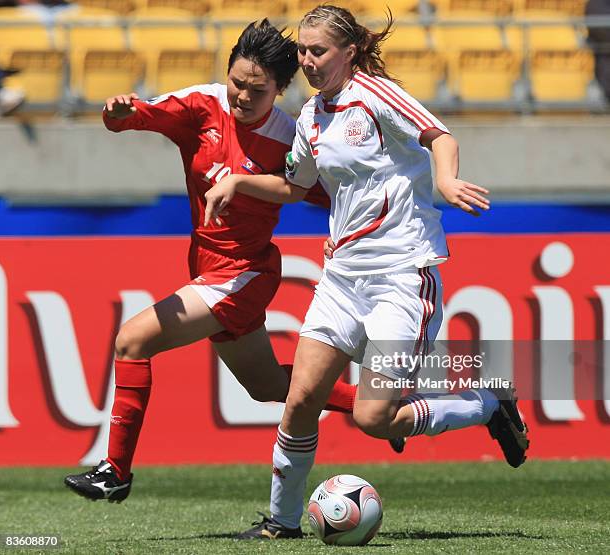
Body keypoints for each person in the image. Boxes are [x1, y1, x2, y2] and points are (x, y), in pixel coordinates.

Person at [204, 5, 530, 540]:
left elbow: (438, 135)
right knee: (302, 397)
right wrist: (240, 183)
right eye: (303, 51)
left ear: (349, 52)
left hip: (402, 276)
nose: (307, 61)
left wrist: (446, 181)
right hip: (341, 279)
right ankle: (281, 523)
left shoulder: (376, 95)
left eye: (319, 51)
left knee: (374, 420)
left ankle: (488, 404)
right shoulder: (311, 117)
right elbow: (294, 187)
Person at [63, 19, 364, 504]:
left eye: (257, 89)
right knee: (267, 387)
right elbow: (134, 117)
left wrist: (354, 237)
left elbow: (331, 194)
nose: (242, 95)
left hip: (244, 274)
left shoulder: (294, 137)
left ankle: (115, 470)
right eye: (237, 82)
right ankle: (386, 408)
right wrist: (117, 114)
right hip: (208, 270)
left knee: (132, 340)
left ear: (280, 89)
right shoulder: (203, 105)